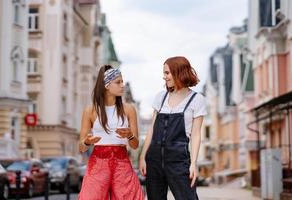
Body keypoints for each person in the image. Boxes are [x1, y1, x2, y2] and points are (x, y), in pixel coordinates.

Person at [139, 56, 207, 200]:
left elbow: (195, 135)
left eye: (167, 73)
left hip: (179, 160)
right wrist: (143, 157)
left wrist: (193, 164)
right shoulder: (160, 97)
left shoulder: (196, 99)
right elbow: (152, 129)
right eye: (164, 73)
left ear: (179, 72)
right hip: (154, 160)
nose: (164, 77)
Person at [78, 65, 144, 200]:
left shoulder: (129, 109)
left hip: (122, 162)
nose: (122, 85)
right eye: (118, 82)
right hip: (98, 163)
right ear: (107, 85)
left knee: (129, 197)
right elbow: (81, 147)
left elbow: (135, 145)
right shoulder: (90, 111)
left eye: (122, 81)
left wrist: (129, 135)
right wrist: (87, 141)